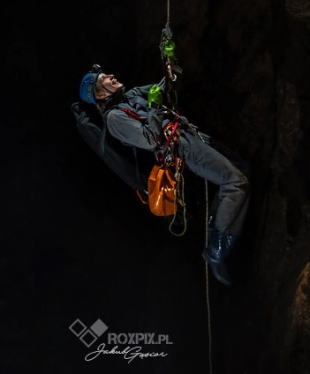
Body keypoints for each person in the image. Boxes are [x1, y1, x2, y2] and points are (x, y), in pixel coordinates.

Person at [78, 66, 250, 285]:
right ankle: (217, 248)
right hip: (182, 148)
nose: (112, 75)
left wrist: (171, 69)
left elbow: (161, 87)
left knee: (241, 171)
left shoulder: (129, 96)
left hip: (190, 134)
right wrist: (153, 107)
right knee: (236, 182)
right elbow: (149, 139)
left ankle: (217, 224)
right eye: (104, 79)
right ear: (100, 94)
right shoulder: (114, 120)